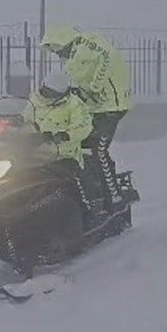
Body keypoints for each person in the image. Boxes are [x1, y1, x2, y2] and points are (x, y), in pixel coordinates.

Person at [40, 25, 133, 213]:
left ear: (63, 40)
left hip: (111, 108)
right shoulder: (74, 58)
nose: (58, 54)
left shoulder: (85, 45)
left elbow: (107, 56)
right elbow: (75, 84)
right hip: (97, 108)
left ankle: (114, 197)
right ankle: (92, 189)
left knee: (98, 149)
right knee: (79, 147)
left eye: (57, 49)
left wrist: (96, 84)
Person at [20, 71, 96, 212]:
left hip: (63, 155)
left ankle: (84, 208)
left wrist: (65, 135)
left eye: (52, 94)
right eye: (46, 91)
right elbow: (25, 121)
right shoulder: (34, 102)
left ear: (62, 93)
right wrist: (13, 128)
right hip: (34, 154)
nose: (47, 96)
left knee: (69, 178)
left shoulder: (74, 105)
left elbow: (84, 125)